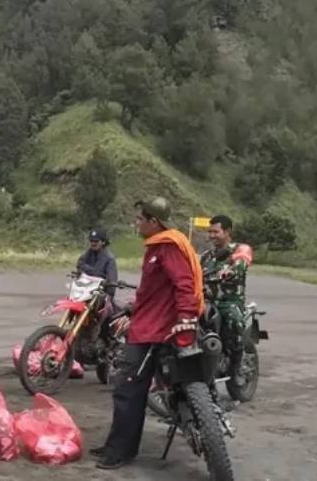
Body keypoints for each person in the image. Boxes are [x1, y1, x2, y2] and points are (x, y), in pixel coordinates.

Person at [92, 197, 204, 470]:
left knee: (128, 389)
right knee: (129, 389)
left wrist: (186, 318)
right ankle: (117, 445)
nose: (136, 223)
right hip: (147, 324)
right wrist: (132, 309)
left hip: (154, 332)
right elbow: (153, 291)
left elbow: (185, 285)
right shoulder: (157, 247)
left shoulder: (168, 248)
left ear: (154, 221)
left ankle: (120, 452)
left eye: (140, 219)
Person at [201, 214, 251, 387]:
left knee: (234, 322)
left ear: (227, 231)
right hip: (206, 301)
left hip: (229, 302)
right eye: (210, 232)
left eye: (216, 232)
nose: (211, 235)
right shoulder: (206, 256)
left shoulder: (240, 249)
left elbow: (242, 262)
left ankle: (235, 368)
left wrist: (230, 271)